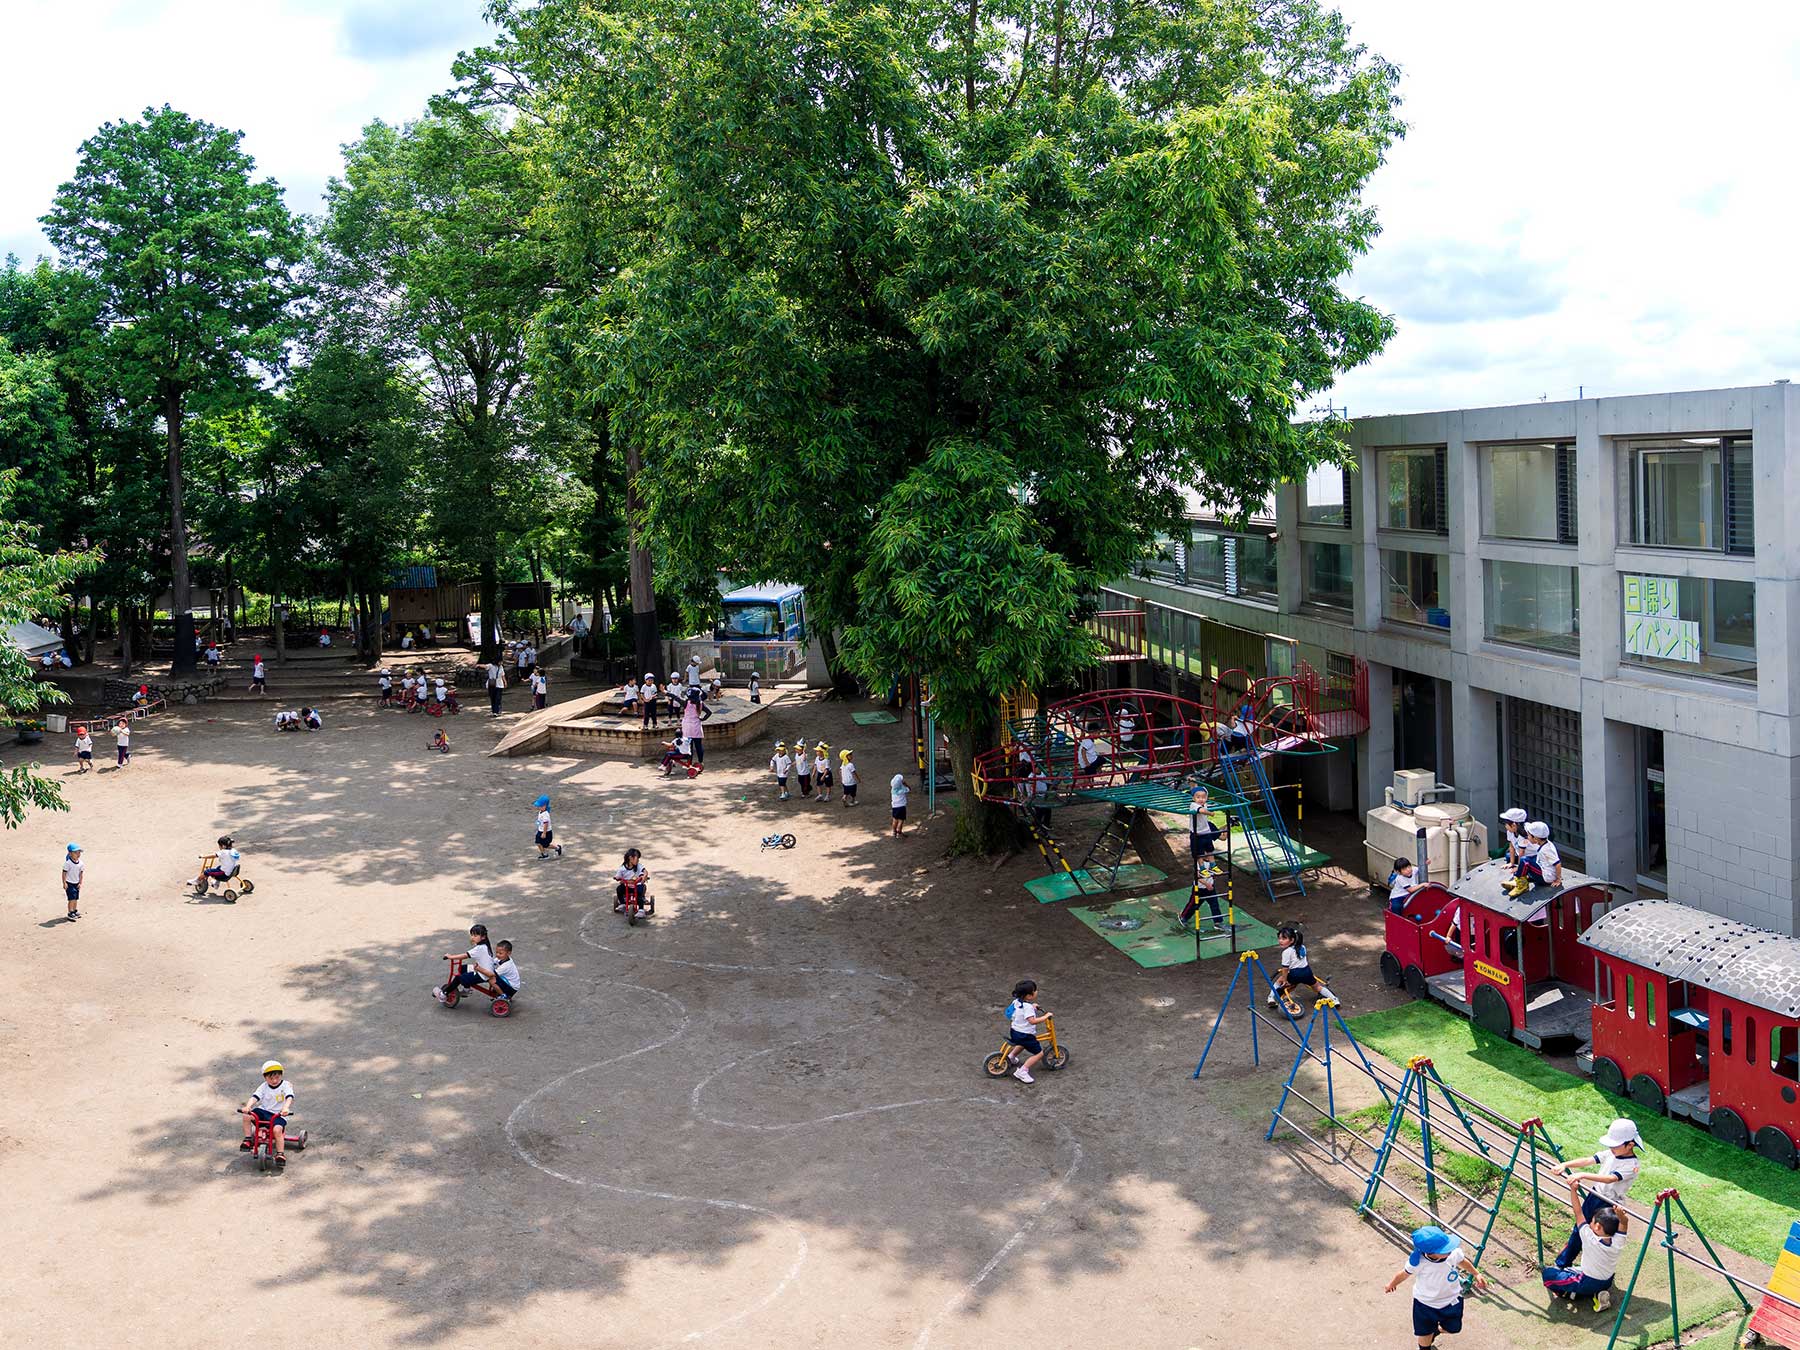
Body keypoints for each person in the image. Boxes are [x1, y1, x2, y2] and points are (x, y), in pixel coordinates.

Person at [1384, 1225, 1486, 1348]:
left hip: (1451, 1300)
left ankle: (1435, 1331)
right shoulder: (1419, 1263)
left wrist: (1476, 1274)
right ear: (1430, 1253)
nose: (1450, 1250)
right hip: (1425, 1303)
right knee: (1425, 1333)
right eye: (1445, 1250)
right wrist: (1392, 1284)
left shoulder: (1453, 1253)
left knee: (1453, 1328)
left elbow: (1463, 1261)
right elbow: (1404, 1274)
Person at [1541, 1181, 1625, 1312]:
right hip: (1607, 1281)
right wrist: (1622, 1216)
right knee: (1572, 1270)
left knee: (1548, 1274)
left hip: (1588, 1281)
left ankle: (1569, 1293)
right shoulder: (1617, 1241)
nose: (1590, 1223)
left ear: (1597, 1226)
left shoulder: (1589, 1237)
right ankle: (1598, 1293)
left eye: (1592, 1221)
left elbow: (1578, 1212)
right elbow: (1624, 1225)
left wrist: (1573, 1190)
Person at [1548, 1119, 1641, 1234]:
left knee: (1597, 1233)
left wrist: (1582, 1174)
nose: (1611, 1148)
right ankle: (1569, 1251)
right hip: (1595, 1194)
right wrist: (1565, 1164)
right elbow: (1588, 1160)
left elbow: (1610, 1179)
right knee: (1580, 1226)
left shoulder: (1631, 1165)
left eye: (1615, 1145)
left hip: (1609, 1203)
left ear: (1630, 1145)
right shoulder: (1611, 1153)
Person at [239, 1060, 298, 1169]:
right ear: (265, 1077)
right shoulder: (263, 1086)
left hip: (279, 1114)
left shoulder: (285, 1085)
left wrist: (286, 1108)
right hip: (264, 1111)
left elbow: (289, 1097)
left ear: (281, 1075)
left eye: (277, 1077)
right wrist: (248, 1106)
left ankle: (280, 1154)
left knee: (277, 1130)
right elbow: (255, 1097)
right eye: (271, 1078)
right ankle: (247, 1139)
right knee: (246, 1116)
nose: (274, 1080)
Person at [1267, 922, 1333, 1015]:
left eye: (1283, 938)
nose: (1280, 941)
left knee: (1280, 981)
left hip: (1295, 974)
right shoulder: (1302, 947)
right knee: (1317, 986)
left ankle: (1271, 997)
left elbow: (1285, 968)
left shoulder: (1286, 952)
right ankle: (1334, 999)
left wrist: (1285, 979)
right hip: (1307, 972)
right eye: (1279, 938)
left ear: (1292, 940)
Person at [434, 924, 497, 1003]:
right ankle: (466, 989)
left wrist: (450, 957)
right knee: (463, 968)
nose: (473, 937)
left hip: (483, 974)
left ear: (483, 937)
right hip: (484, 970)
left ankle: (443, 995)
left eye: (475, 935)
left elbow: (465, 955)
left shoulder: (479, 948)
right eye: (472, 935)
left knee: (458, 978)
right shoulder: (485, 945)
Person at [1005, 979, 1051, 1084]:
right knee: (1039, 1054)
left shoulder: (1017, 1002)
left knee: (1021, 1044)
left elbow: (1021, 1012)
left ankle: (1011, 1057)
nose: (1036, 991)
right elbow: (1032, 1021)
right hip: (1025, 1035)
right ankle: (1023, 1071)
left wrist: (1033, 1007)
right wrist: (1045, 1016)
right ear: (1029, 996)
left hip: (1014, 1031)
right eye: (1035, 990)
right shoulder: (1028, 1007)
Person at [1507, 821, 1562, 897]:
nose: (1527, 837)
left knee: (1525, 861)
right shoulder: (1544, 843)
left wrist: (1558, 879)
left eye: (1528, 835)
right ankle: (1523, 879)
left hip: (1546, 878)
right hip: (1543, 869)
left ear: (1535, 838)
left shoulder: (1546, 850)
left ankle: (1521, 884)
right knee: (1530, 859)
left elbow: (1557, 863)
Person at [1188, 786, 1222, 882]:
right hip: (1197, 834)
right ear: (1193, 798)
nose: (1201, 799)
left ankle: (1213, 865)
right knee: (1199, 853)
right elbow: (1201, 811)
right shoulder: (1193, 805)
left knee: (1210, 850)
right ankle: (1202, 868)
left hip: (1206, 831)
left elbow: (1199, 790)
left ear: (1206, 798)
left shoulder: (1205, 804)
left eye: (1203, 797)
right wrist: (1210, 813)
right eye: (1198, 797)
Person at [613, 848, 651, 914]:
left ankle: (641, 910)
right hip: (627, 886)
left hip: (637, 885)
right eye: (637, 858)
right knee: (619, 889)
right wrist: (617, 878)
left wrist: (644, 876)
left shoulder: (639, 866)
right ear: (631, 858)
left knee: (639, 893)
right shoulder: (622, 868)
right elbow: (618, 875)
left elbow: (645, 871)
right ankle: (623, 904)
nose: (638, 860)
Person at [680, 692, 707, 770]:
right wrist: (703, 719)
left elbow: (675, 697)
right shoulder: (700, 704)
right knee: (699, 746)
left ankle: (689, 763)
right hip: (696, 727)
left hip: (687, 728)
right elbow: (709, 712)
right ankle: (701, 762)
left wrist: (666, 692)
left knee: (689, 747)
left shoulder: (686, 703)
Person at [533, 794, 563, 859]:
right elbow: (541, 821)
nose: (538, 807)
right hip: (540, 831)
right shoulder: (541, 811)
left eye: (540, 806)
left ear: (545, 806)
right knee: (538, 843)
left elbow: (546, 824)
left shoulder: (545, 814)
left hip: (546, 832)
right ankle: (544, 855)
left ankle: (557, 847)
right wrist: (538, 824)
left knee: (545, 845)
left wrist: (544, 833)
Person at [62, 843, 83, 922]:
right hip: (69, 883)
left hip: (76, 883)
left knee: (76, 898)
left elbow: (81, 873)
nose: (78, 854)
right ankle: (70, 912)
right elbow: (64, 873)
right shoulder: (68, 863)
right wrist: (64, 883)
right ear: (70, 853)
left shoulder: (80, 863)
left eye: (79, 852)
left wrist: (80, 882)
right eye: (76, 852)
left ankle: (74, 910)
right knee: (71, 898)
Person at [890, 772, 910, 837]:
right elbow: (909, 789)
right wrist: (906, 784)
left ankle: (894, 831)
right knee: (901, 820)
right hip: (901, 806)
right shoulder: (902, 789)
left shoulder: (893, 790)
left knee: (895, 820)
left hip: (894, 806)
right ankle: (899, 831)